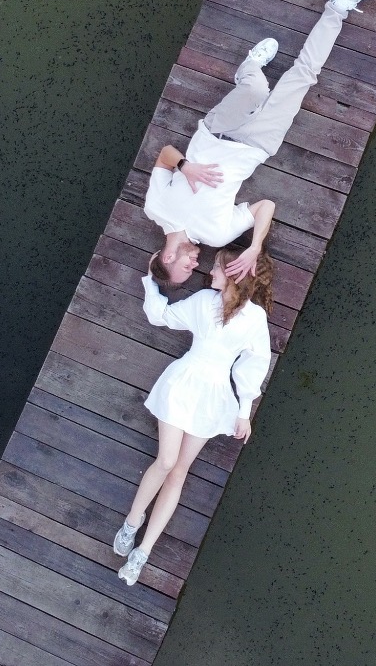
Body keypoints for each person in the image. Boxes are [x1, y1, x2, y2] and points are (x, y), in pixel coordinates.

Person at [144, 0, 376, 287]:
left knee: (256, 88)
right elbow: (265, 206)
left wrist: (185, 166)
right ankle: (337, 6)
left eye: (186, 267)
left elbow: (165, 155)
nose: (195, 264)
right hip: (256, 146)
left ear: (167, 258)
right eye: (194, 268)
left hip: (216, 131)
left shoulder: (156, 208)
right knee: (304, 75)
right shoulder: (216, 235)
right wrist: (255, 245)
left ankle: (250, 66)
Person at [114, 245, 275, 585]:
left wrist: (244, 412)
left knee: (179, 472)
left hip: (214, 395)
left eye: (217, 268)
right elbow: (164, 316)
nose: (211, 272)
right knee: (167, 460)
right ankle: (132, 520)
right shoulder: (204, 302)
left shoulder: (254, 319)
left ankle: (142, 553)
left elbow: (254, 364)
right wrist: (149, 279)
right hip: (183, 384)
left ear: (234, 275)